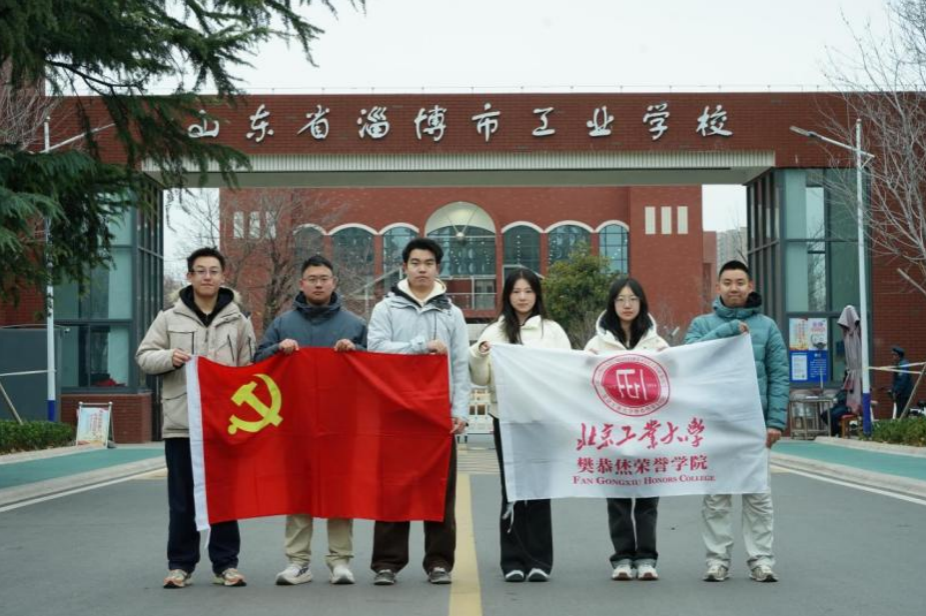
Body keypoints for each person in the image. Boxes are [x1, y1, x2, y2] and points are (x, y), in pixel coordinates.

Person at [136, 247, 256, 589]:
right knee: (182, 501)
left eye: (213, 271)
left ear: (223, 276)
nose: (207, 276)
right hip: (182, 424)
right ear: (189, 276)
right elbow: (144, 356)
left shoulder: (239, 319)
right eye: (200, 271)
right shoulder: (168, 318)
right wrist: (169, 357)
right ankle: (180, 565)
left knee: (224, 498)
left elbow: (249, 369)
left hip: (223, 426)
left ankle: (226, 565)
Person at [254, 255, 367, 586]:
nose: (318, 284)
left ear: (334, 283)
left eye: (324, 278)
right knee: (298, 490)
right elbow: (257, 361)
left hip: (341, 422)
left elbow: (376, 367)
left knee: (339, 490)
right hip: (295, 421)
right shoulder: (283, 324)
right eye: (312, 279)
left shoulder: (355, 324)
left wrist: (355, 351)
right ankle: (298, 562)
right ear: (301, 284)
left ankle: (340, 560)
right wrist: (277, 349)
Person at [367, 237, 471, 586]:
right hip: (395, 412)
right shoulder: (386, 309)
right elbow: (376, 349)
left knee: (439, 490)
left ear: (437, 268)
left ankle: (439, 562)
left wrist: (460, 411)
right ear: (404, 267)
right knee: (393, 489)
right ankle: (387, 563)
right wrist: (420, 346)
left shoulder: (451, 313)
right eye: (415, 263)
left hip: (437, 414)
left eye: (428, 263)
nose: (422, 269)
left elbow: (460, 364)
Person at [684, 260, 787, 584]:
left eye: (740, 282)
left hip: (754, 424)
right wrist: (728, 330)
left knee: (758, 496)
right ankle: (717, 561)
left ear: (750, 285)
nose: (734, 288)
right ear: (718, 287)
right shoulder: (702, 324)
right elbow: (688, 358)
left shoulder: (767, 327)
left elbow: (779, 375)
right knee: (716, 496)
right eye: (727, 282)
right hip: (715, 422)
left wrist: (775, 422)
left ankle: (761, 560)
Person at [469, 268, 571, 583]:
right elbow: (481, 378)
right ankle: (512, 560)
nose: (522, 297)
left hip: (541, 420)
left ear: (537, 295)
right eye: (516, 292)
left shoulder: (553, 331)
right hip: (506, 419)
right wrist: (478, 355)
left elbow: (567, 372)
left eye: (528, 291)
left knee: (539, 489)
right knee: (512, 488)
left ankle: (539, 560)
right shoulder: (495, 331)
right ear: (507, 296)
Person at [584, 277, 668, 582]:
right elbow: (581, 383)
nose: (627, 304)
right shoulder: (596, 345)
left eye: (633, 298)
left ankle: (646, 558)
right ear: (612, 304)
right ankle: (621, 558)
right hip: (612, 433)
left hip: (649, 432)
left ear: (642, 302)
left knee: (647, 498)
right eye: (621, 299)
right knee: (617, 499)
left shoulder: (658, 345)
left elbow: (675, 380)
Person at [891, 346, 913, 418]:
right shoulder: (900, 364)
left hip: (903, 394)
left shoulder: (903, 365)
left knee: (902, 414)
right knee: (902, 413)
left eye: (894, 355)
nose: (893, 357)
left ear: (899, 355)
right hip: (902, 393)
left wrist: (895, 391)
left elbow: (902, 380)